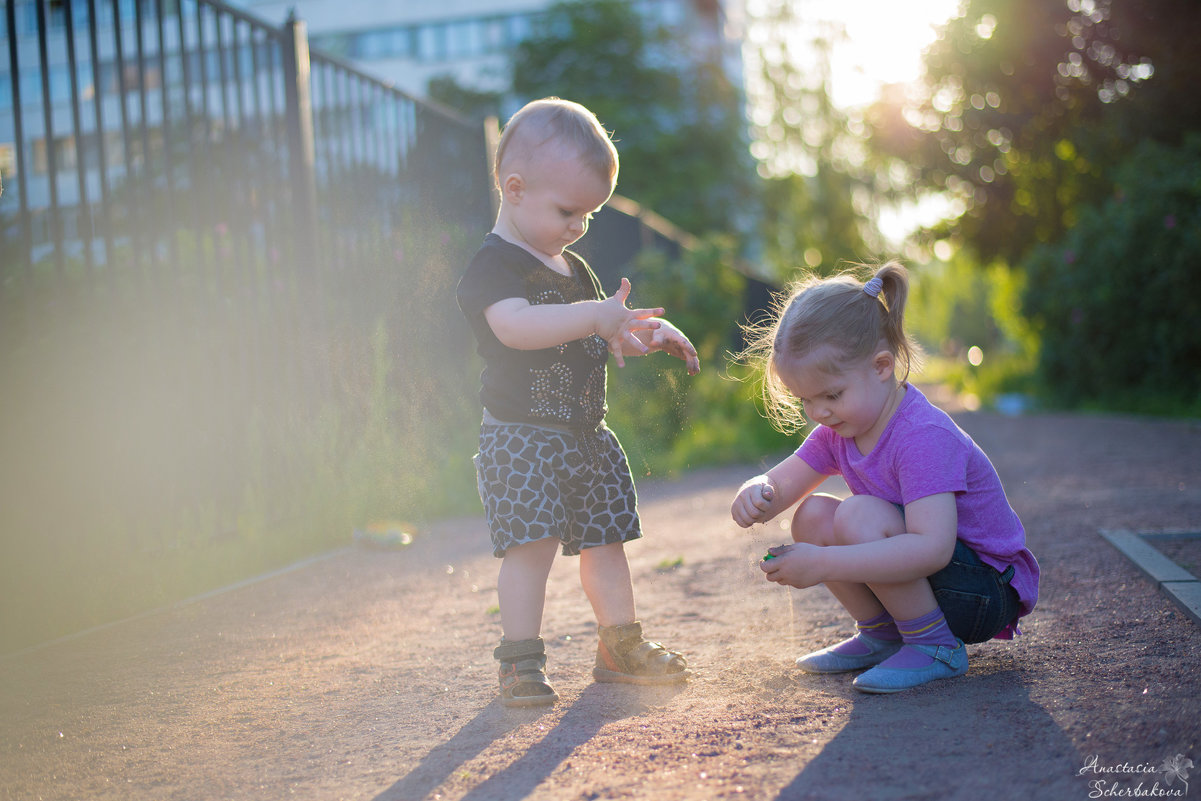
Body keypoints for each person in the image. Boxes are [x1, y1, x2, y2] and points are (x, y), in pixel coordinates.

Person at [456, 97, 700, 707]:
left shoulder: (578, 270)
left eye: (588, 215)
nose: (577, 227)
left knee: (605, 539)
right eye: (568, 211)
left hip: (586, 433)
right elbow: (516, 327)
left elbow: (603, 334)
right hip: (519, 437)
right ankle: (520, 661)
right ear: (514, 189)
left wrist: (642, 335)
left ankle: (619, 644)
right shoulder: (493, 267)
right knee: (530, 547)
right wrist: (593, 315)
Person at [730, 262, 1038, 693]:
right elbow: (781, 483)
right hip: (939, 581)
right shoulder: (839, 429)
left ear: (880, 366)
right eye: (806, 400)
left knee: (857, 515)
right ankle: (883, 635)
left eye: (831, 395)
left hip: (983, 591)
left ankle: (934, 646)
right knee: (813, 515)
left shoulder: (921, 435)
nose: (818, 413)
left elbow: (932, 549)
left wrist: (821, 564)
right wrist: (755, 492)